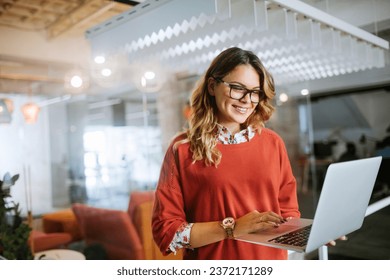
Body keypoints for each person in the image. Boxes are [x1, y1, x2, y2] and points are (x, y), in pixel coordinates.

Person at [151, 47, 300, 260]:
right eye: (238, 88)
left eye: (255, 92)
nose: (247, 100)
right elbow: (166, 232)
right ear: (212, 86)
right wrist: (232, 227)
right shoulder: (182, 148)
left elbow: (288, 214)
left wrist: (309, 234)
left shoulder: (273, 142)